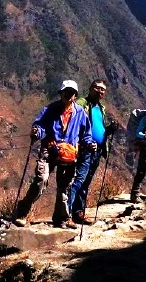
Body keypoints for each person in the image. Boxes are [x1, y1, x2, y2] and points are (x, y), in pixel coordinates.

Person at [13, 80, 93, 227]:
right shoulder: (50, 109)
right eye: (66, 92)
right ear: (61, 93)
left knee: (65, 187)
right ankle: (22, 212)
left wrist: (89, 144)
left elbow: (86, 134)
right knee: (41, 180)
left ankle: (61, 219)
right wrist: (37, 132)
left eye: (72, 93)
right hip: (49, 152)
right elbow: (40, 125)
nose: (69, 95)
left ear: (75, 95)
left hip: (68, 154)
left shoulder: (80, 113)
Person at [67, 80, 122, 225]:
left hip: (97, 149)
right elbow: (74, 123)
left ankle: (78, 212)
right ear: (91, 88)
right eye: (97, 88)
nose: (100, 91)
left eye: (103, 89)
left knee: (85, 182)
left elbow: (100, 129)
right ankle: (67, 213)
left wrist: (110, 129)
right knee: (78, 180)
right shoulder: (82, 103)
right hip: (85, 149)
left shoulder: (100, 108)